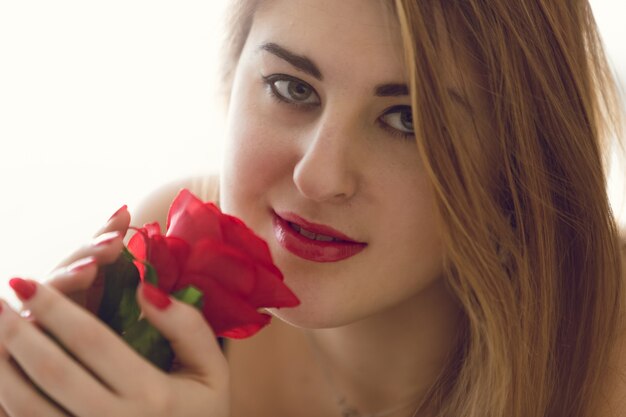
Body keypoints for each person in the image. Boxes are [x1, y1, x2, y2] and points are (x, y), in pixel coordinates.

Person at [0, 0, 624, 416]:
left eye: (408, 120)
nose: (319, 176)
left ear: (521, 159)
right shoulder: (173, 256)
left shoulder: (608, 351)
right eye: (293, 88)